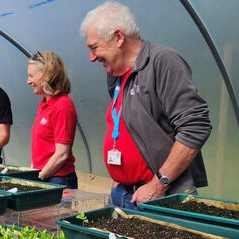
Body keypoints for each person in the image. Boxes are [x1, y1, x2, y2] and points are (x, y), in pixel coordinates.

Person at [80, 1, 212, 210]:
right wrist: (120, 177)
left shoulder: (163, 62)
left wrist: (159, 183)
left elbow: (196, 125)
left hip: (159, 199)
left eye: (94, 47)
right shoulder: (114, 75)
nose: (91, 57)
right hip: (124, 193)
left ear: (118, 37)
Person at [27, 50, 78, 189]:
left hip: (57, 179)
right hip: (45, 176)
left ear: (46, 75)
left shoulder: (63, 105)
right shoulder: (44, 103)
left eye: (31, 76)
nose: (28, 81)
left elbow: (62, 154)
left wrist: (38, 179)